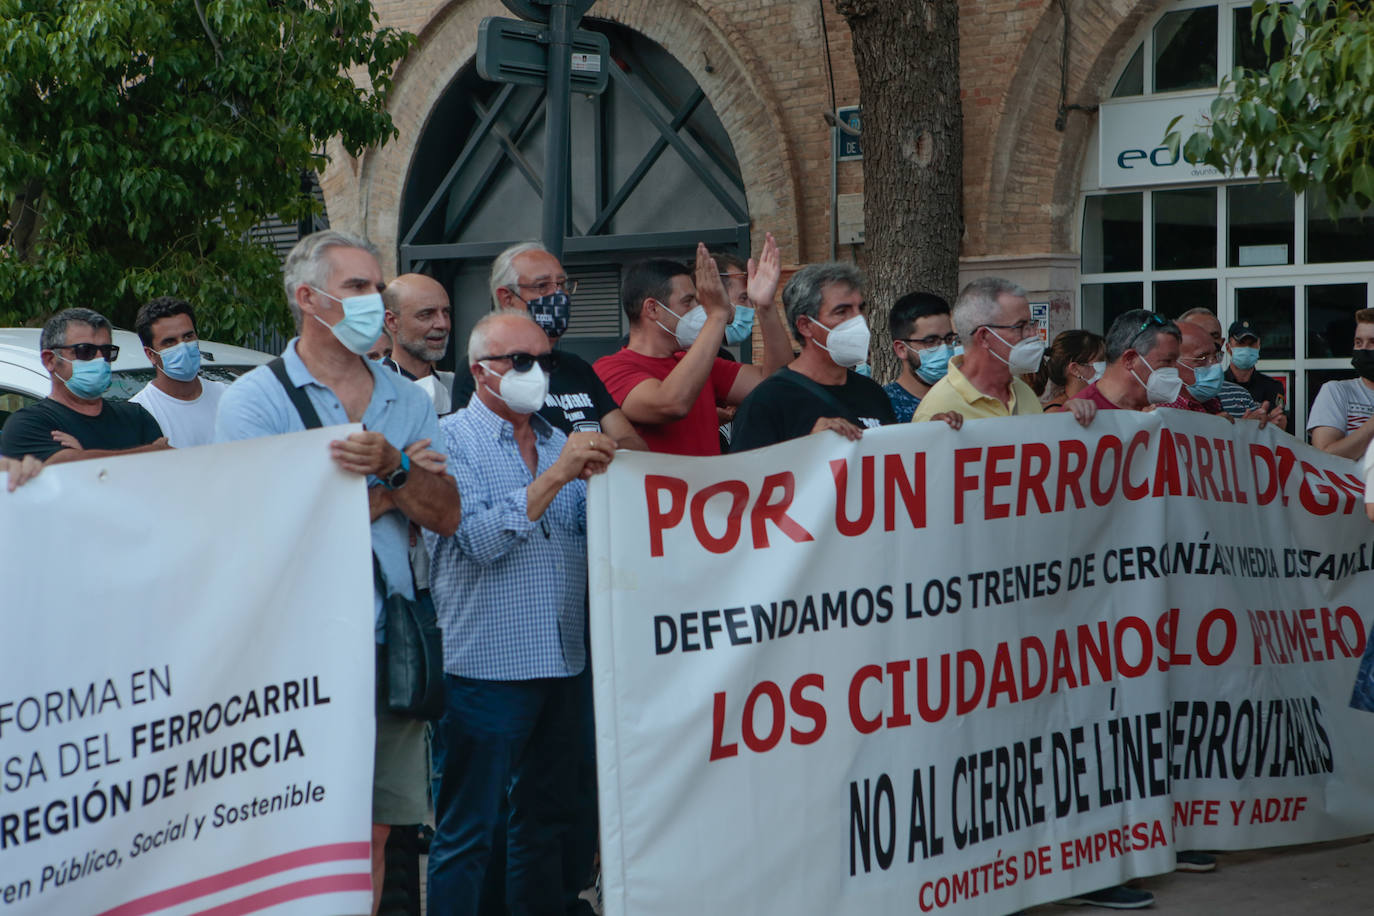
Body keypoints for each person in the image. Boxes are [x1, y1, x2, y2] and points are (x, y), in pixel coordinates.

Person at [214, 229, 462, 916]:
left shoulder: (406, 398)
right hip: (297, 651)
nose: (374, 301)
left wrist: (392, 467)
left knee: (378, 830)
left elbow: (445, 515)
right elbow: (259, 535)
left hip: (390, 641)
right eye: (356, 287)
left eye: (377, 287)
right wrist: (390, 498)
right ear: (307, 298)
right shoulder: (255, 403)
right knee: (301, 828)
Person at [424, 312, 616, 915]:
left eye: (547, 361)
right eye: (523, 361)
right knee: (468, 831)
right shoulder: (447, 440)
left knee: (547, 823)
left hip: (562, 660)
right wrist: (557, 478)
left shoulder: (562, 441)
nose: (539, 373)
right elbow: (476, 539)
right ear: (482, 371)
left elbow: (596, 537)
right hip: (485, 669)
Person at [593, 237, 791, 455]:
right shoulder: (611, 369)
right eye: (688, 302)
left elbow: (776, 383)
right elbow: (671, 404)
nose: (699, 310)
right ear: (652, 309)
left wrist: (766, 307)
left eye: (699, 302)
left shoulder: (699, 365)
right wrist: (717, 316)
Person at [452, 242, 647, 451]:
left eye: (561, 284)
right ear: (507, 298)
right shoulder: (489, 367)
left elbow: (632, 442)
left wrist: (594, 455)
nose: (559, 296)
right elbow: (485, 448)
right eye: (542, 286)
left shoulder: (577, 368)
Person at [730, 262, 895, 451]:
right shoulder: (767, 402)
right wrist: (807, 448)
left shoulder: (873, 394)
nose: (858, 320)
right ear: (805, 326)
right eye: (842, 312)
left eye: (860, 309)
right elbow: (749, 476)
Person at [912, 277, 1095, 427]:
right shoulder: (937, 410)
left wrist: (1067, 422)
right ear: (984, 337)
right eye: (1020, 326)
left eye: (1032, 324)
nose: (1032, 334)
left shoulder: (1023, 393)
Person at [0, 308, 168, 463]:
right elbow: (65, 468)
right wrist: (152, 451)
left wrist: (84, 456)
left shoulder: (136, 417)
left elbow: (164, 471)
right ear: (50, 360)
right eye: (85, 351)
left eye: (107, 351)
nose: (100, 360)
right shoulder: (27, 424)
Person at [128, 297, 227, 448]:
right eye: (169, 342)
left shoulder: (227, 396)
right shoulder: (140, 414)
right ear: (150, 354)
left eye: (188, 336)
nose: (183, 347)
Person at [1175, 308, 1276, 424]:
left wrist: (1250, 429)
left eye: (1214, 336)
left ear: (1222, 343)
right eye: (1198, 334)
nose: (1208, 342)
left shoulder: (1236, 398)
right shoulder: (1159, 404)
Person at [1071, 311, 1182, 412]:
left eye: (1175, 362)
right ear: (1130, 359)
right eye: (1167, 361)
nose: (1175, 371)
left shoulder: (1164, 413)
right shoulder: (1079, 415)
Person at [381, 273, 455, 413]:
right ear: (392, 321)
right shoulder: (369, 389)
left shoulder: (456, 386)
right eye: (426, 314)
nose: (442, 324)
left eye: (446, 312)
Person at [883, 291, 957, 422]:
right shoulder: (883, 406)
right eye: (930, 341)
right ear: (902, 349)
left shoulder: (966, 398)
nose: (944, 349)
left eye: (949, 339)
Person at [1310, 308, 1374, 457]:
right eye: (1358, 343)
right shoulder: (1336, 391)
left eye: (1372, 342)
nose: (1363, 349)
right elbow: (1324, 457)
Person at [1223, 319, 1286, 423]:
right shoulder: (1217, 386)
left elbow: (1279, 422)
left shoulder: (1273, 387)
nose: (1247, 349)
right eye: (1241, 343)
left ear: (1259, 346)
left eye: (1251, 344)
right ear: (1228, 347)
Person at [1038, 330, 1105, 412]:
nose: (1107, 366)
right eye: (1101, 360)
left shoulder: (1093, 404)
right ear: (1075, 369)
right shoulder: (1055, 412)